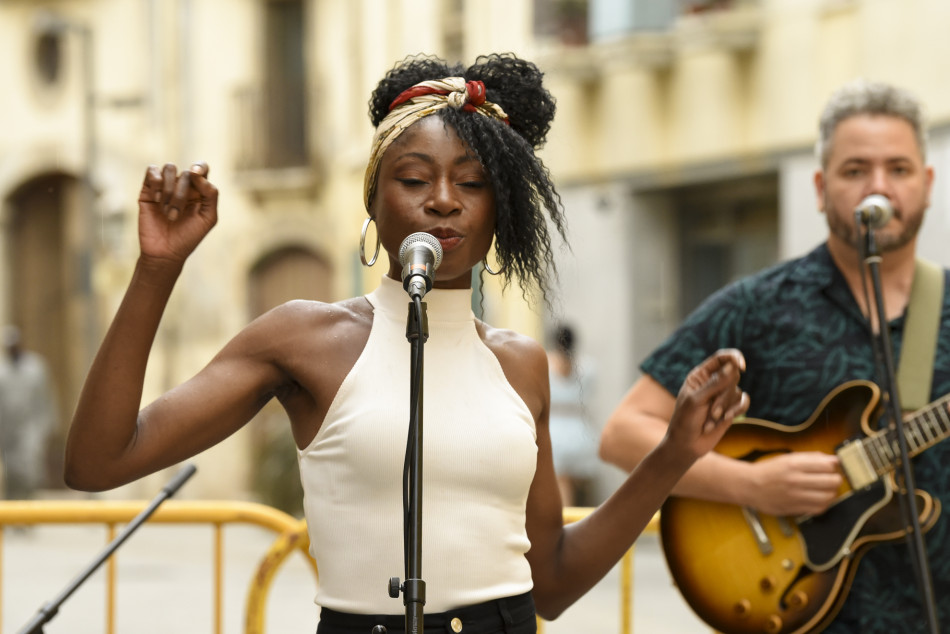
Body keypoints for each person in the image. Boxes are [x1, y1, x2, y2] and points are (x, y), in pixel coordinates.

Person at [63, 53, 748, 633]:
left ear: (499, 212)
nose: (444, 200)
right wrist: (158, 269)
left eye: (472, 183)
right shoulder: (305, 339)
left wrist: (672, 455)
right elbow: (97, 462)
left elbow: (554, 582)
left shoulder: (521, 364)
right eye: (415, 179)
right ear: (374, 200)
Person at [599, 78, 950, 633]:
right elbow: (623, 433)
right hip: (796, 608)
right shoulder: (755, 306)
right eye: (855, 170)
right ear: (820, 188)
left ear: (927, 185)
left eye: (899, 169)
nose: (878, 187)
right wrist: (750, 485)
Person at [0, 325, 58, 500]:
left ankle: (29, 505)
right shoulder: (2, 370)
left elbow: (46, 398)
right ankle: (14, 508)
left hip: (31, 427)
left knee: (31, 470)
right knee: (12, 473)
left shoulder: (35, 367)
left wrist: (47, 427)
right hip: (8, 430)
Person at [545, 324, 598, 506]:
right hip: (580, 430)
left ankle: (566, 517)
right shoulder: (588, 367)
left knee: (563, 484)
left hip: (555, 429)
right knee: (576, 486)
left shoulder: (545, 363)